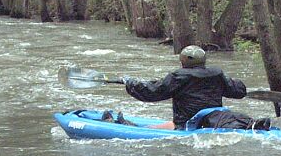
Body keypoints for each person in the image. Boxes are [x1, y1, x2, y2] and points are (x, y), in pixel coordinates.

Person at [106, 45, 270, 131]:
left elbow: (153, 92)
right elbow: (238, 91)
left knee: (165, 127)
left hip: (189, 123)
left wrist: (130, 83)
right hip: (211, 118)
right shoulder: (216, 74)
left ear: (183, 61)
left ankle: (127, 126)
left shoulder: (178, 76)